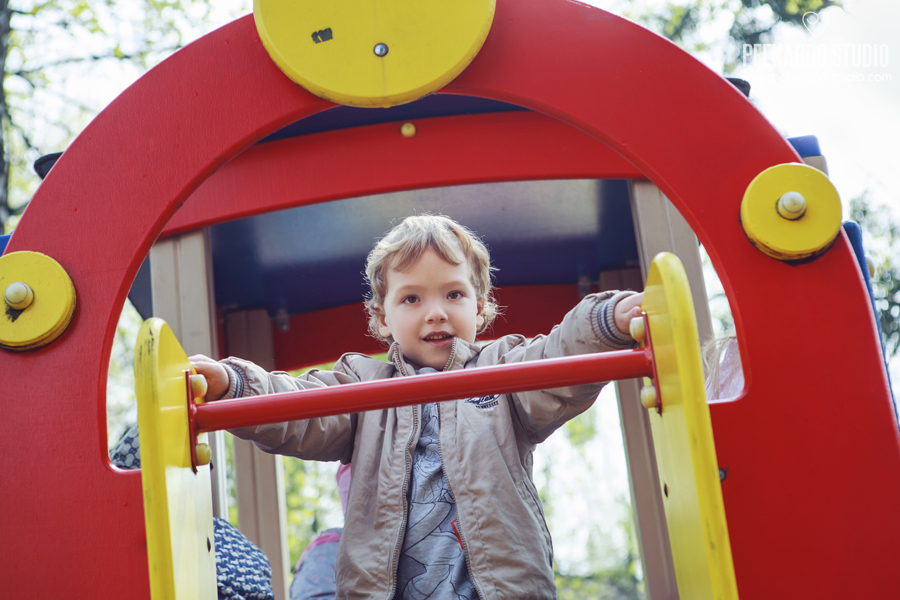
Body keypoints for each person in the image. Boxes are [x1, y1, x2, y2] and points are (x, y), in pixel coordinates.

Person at [191, 215, 644, 600]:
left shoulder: (501, 369)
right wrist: (234, 385)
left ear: (481, 306)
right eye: (412, 298)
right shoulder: (362, 387)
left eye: (453, 294)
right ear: (383, 318)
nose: (436, 312)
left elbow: (558, 360)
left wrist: (606, 320)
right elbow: (299, 409)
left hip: (497, 587)